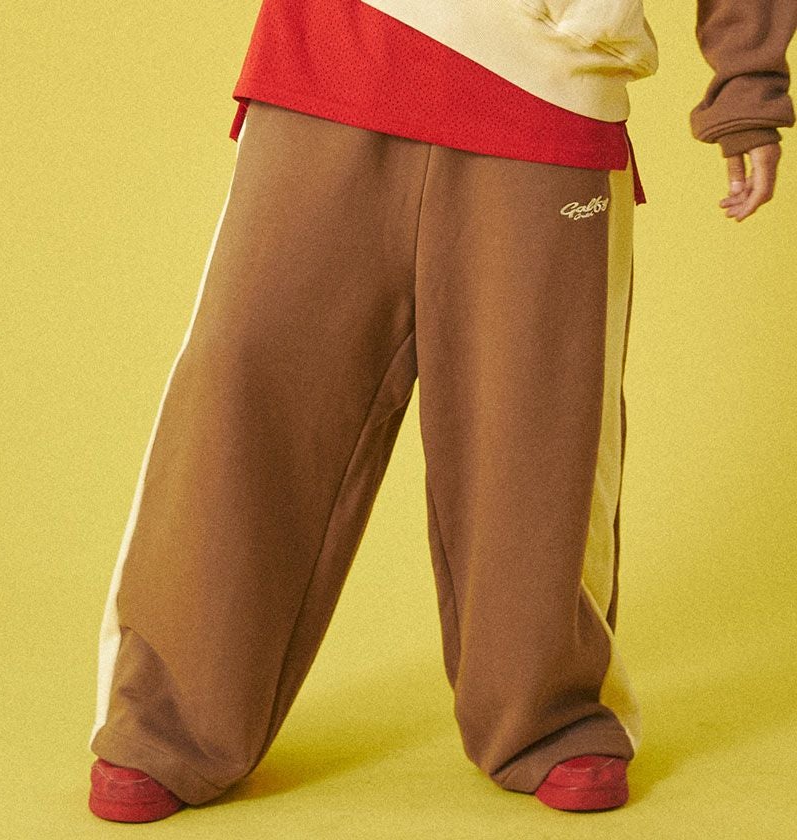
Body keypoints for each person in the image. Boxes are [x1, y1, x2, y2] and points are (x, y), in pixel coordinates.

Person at [86, 0, 795, 823]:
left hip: (553, 85)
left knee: (538, 425)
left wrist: (747, 81)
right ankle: (167, 721)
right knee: (245, 393)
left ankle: (549, 712)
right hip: (335, 51)